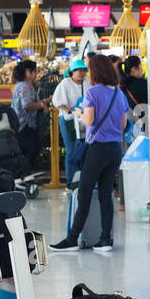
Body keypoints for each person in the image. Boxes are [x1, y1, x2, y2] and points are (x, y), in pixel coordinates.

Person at [50, 55, 128, 253]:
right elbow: (123, 124)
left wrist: (78, 113)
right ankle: (105, 239)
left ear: (95, 72)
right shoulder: (119, 94)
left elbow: (89, 121)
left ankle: (72, 238)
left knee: (84, 192)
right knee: (106, 193)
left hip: (97, 149)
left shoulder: (92, 92)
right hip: (115, 148)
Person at [51, 60, 90, 186]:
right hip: (68, 121)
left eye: (83, 70)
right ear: (72, 72)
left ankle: (82, 179)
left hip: (83, 120)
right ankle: (70, 182)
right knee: (71, 150)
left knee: (84, 148)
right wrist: (70, 111)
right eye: (79, 70)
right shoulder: (65, 84)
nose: (82, 73)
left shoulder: (87, 82)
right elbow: (57, 101)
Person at [11, 59, 46, 167]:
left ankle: (24, 177)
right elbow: (27, 105)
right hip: (25, 126)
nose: (35, 74)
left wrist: (45, 101)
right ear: (27, 72)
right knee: (30, 152)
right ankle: (24, 176)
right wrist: (41, 105)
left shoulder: (22, 85)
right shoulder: (25, 86)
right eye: (34, 71)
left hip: (21, 125)